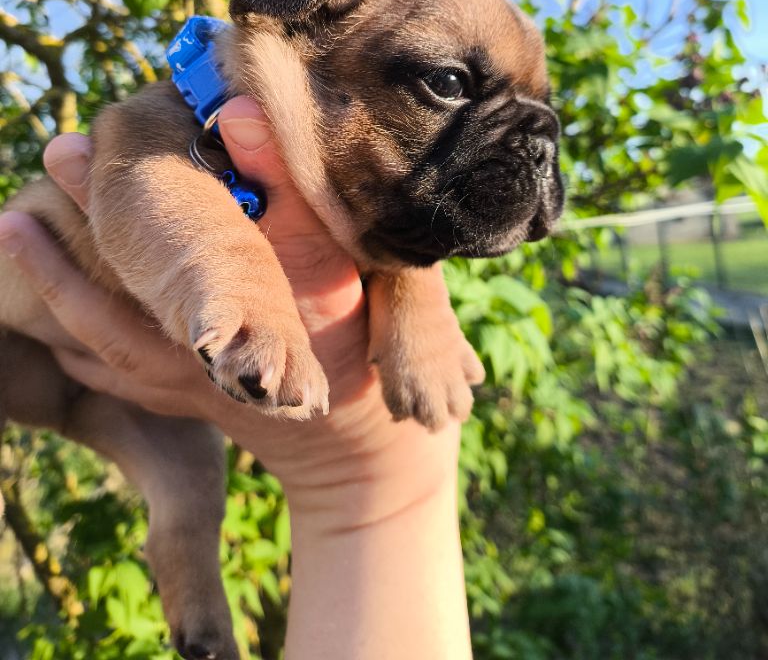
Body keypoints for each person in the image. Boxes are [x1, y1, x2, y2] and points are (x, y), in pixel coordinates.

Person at [0, 96, 473, 660]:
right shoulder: (200, 106)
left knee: (191, 482)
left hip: (114, 399)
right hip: (20, 334)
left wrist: (419, 306)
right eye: (446, 85)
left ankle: (194, 604)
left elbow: (394, 243)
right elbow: (144, 165)